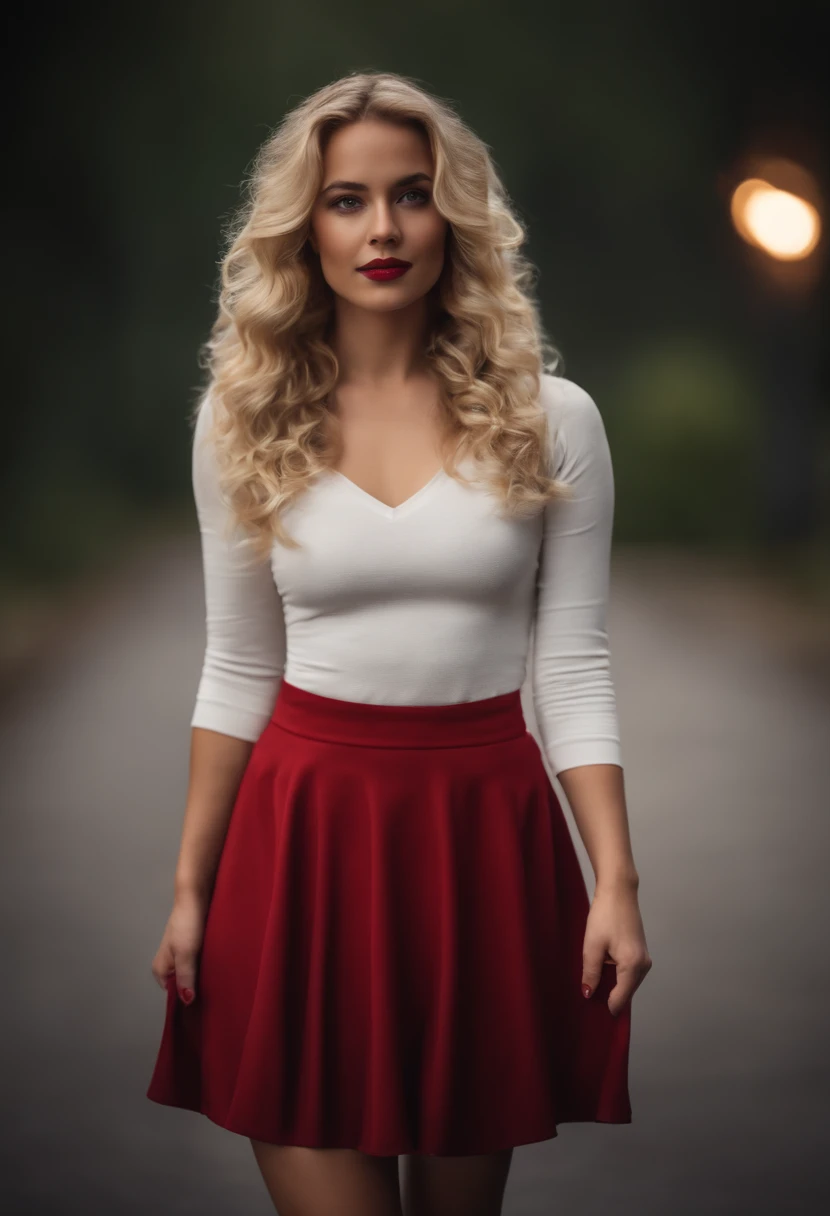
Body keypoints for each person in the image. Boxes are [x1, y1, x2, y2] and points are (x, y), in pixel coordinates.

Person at [145, 70, 652, 1216]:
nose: (382, 228)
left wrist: (614, 880)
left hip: (483, 835)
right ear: (302, 229)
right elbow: (236, 666)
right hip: (302, 840)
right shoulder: (242, 419)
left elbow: (571, 666)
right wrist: (189, 886)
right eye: (346, 200)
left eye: (412, 194)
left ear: (452, 218)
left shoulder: (551, 417)